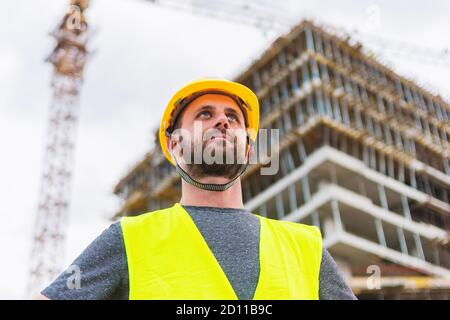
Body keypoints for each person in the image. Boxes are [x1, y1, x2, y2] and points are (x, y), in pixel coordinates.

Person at [39, 79, 357, 300]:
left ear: (248, 151)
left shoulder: (306, 248)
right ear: (176, 145)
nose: (222, 122)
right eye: (205, 114)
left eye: (233, 118)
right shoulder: (130, 239)